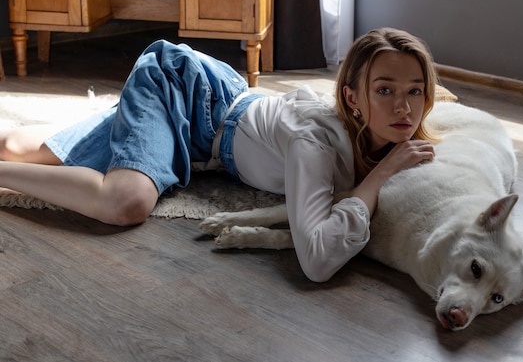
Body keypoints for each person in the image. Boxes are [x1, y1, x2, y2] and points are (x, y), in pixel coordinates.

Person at [0, 27, 437, 282]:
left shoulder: (396, 137)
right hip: (184, 89)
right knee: (126, 201)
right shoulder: (315, 143)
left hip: (205, 128)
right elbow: (317, 261)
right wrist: (375, 182)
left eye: (415, 91)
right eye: (385, 90)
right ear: (353, 98)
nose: (403, 107)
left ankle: (130, 122)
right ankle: (138, 113)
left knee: (16, 148)